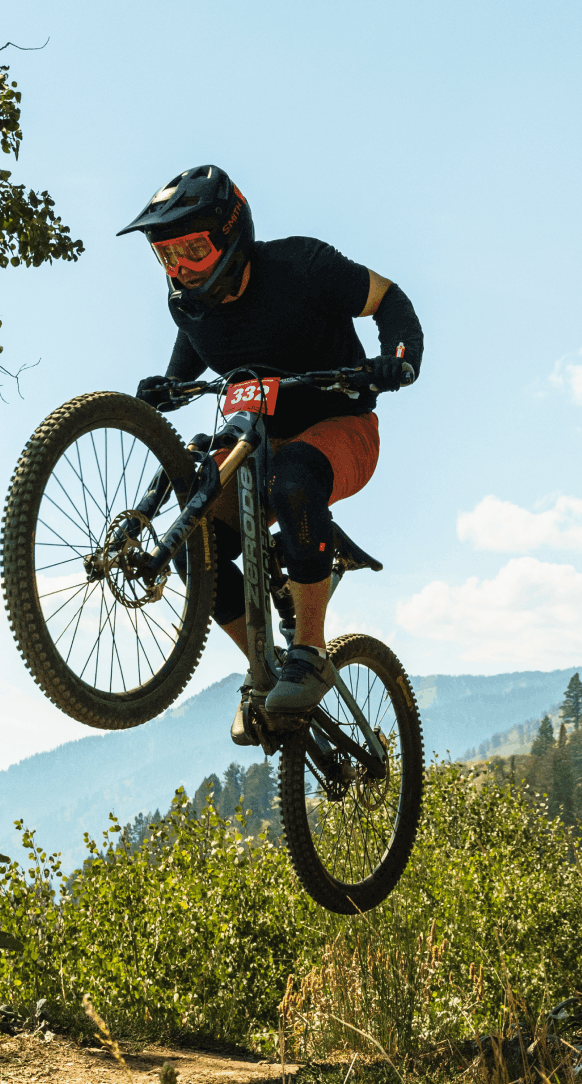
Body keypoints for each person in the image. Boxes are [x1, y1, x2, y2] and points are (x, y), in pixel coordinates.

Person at [119, 164, 424, 745]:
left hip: (342, 426)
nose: (179, 269)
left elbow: (389, 298)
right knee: (192, 542)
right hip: (253, 443)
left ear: (232, 236)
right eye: (167, 256)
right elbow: (203, 338)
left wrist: (398, 356)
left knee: (292, 478)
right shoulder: (189, 304)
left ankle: (308, 653)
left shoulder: (302, 267)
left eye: (193, 250)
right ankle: (263, 670)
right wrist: (171, 381)